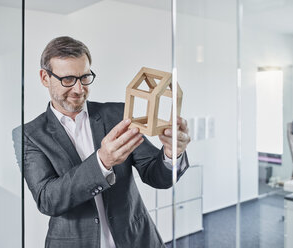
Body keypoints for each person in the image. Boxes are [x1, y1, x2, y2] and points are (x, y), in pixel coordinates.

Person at [13, 36, 191, 248]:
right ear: (44, 77)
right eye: (68, 79)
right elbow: (48, 199)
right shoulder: (29, 135)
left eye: (85, 77)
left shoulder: (117, 114)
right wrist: (102, 162)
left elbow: (156, 176)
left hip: (137, 240)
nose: (79, 89)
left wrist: (172, 154)